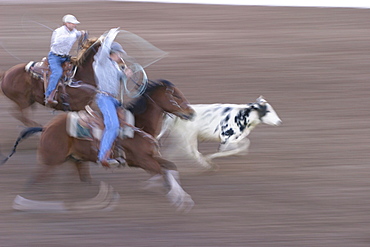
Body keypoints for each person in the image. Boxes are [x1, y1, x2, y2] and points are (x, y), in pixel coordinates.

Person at [93, 27, 133, 168]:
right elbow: (104, 50)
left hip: (113, 99)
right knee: (113, 125)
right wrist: (110, 36)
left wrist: (125, 75)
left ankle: (119, 151)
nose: (120, 57)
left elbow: (118, 79)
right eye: (119, 54)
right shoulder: (101, 61)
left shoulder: (115, 66)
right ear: (112, 53)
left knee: (128, 120)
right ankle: (102, 156)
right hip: (104, 98)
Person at [45, 14, 84, 106]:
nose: (75, 25)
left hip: (65, 56)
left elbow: (77, 34)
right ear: (67, 23)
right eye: (73, 23)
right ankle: (48, 95)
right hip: (55, 56)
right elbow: (55, 43)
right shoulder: (58, 32)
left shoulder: (74, 31)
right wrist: (72, 36)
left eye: (75, 24)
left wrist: (82, 33)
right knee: (57, 73)